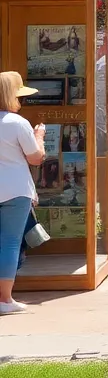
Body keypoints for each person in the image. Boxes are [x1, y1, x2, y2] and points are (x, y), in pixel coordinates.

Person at [1, 72, 46, 315]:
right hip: (15, 190)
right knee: (10, 242)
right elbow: (36, 158)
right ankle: (5, 299)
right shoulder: (17, 123)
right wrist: (39, 137)